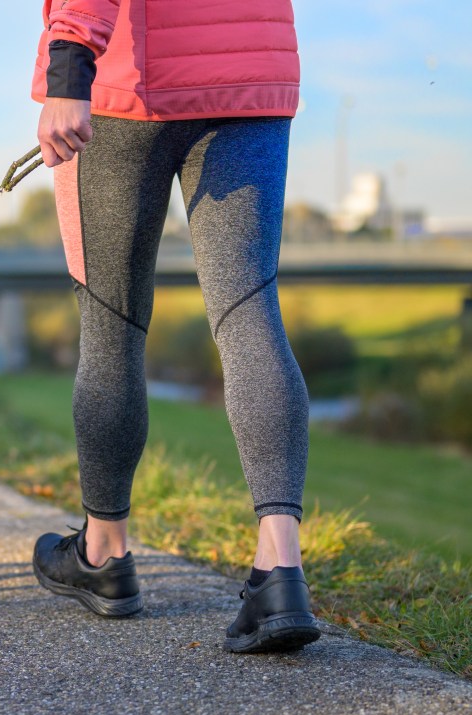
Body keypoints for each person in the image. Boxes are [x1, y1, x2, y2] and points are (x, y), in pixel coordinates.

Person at [27, 0, 321, 653]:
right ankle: (281, 571)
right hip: (253, 76)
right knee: (249, 310)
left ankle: (104, 553)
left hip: (128, 83)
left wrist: (69, 70)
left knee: (111, 321)